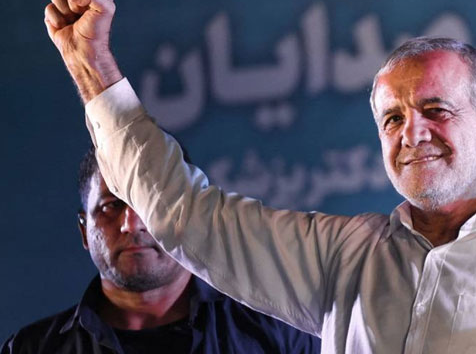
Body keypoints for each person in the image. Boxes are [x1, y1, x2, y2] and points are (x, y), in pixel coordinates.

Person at [43, 0, 476, 353]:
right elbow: (183, 214)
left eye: (435, 109)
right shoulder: (341, 258)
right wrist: (91, 64)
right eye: (393, 119)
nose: (413, 134)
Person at [1, 147, 321, 354]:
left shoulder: (279, 331)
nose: (132, 223)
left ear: (189, 214)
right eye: (111, 206)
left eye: (149, 203)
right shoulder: (32, 349)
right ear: (85, 230)